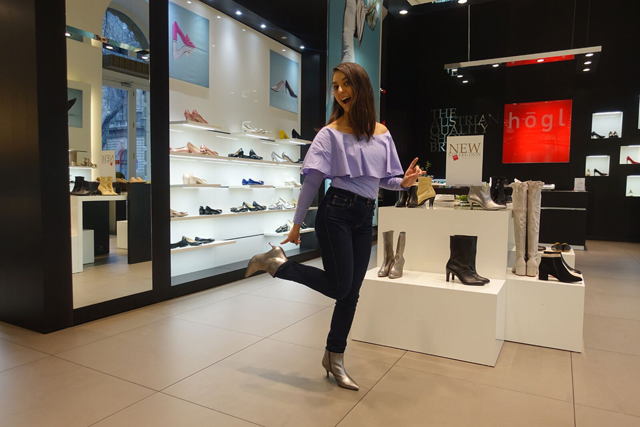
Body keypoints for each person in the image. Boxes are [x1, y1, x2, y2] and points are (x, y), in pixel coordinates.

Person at [245, 62, 423, 391]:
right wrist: (296, 224)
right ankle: (278, 264)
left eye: (345, 84)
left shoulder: (381, 133)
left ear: (361, 87)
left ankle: (334, 357)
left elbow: (384, 180)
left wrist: (404, 182)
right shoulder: (329, 135)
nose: (340, 91)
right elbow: (312, 183)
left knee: (351, 294)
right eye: (335, 86)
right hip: (336, 212)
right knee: (341, 288)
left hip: (365, 215)